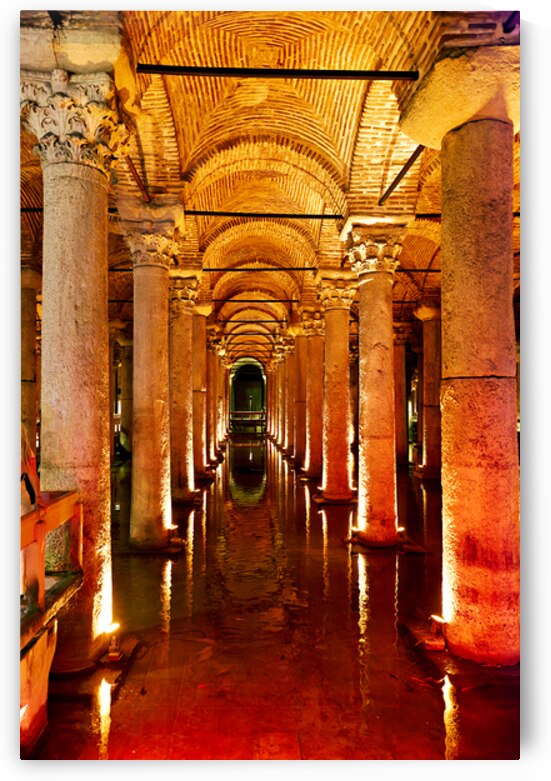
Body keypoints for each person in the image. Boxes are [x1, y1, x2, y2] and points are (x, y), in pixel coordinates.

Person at [20, 423, 41, 515]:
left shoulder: (25, 452)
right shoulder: (25, 452)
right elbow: (33, 475)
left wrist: (38, 498)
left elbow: (32, 475)